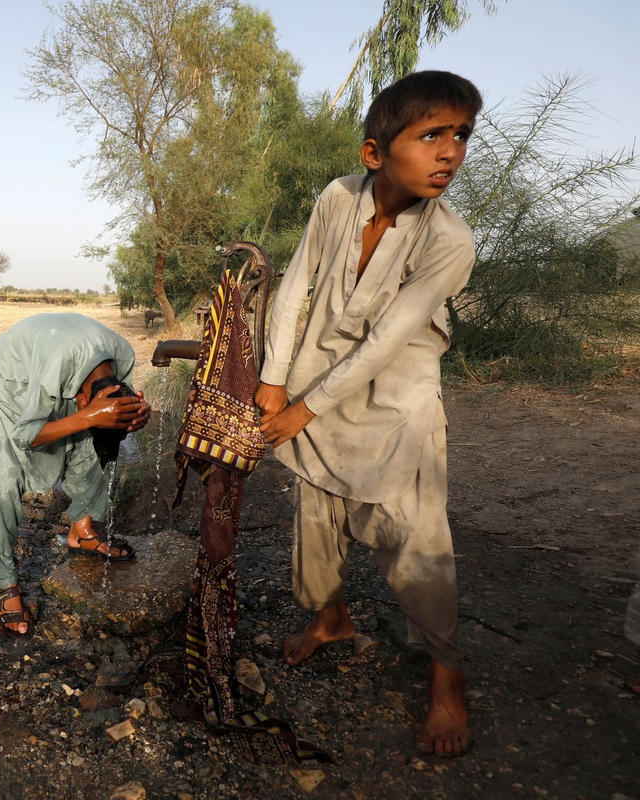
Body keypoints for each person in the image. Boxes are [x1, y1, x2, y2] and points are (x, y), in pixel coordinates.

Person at [254, 70, 482, 757]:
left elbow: (388, 341)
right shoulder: (337, 199)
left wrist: (301, 408)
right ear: (374, 153)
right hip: (315, 383)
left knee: (417, 545)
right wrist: (273, 379)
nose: (450, 152)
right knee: (317, 523)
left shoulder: (450, 242)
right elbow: (296, 285)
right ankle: (332, 619)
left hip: (395, 408)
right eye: (432, 135)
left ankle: (447, 675)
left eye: (462, 136)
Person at [0, 312, 151, 637]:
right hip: (9, 387)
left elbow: (116, 411)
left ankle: (81, 531)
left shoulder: (122, 356)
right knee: (2, 481)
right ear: (83, 399)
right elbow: (27, 435)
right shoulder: (55, 366)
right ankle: (3, 582)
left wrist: (138, 416)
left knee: (97, 442)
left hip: (61, 372)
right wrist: (88, 417)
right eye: (86, 407)